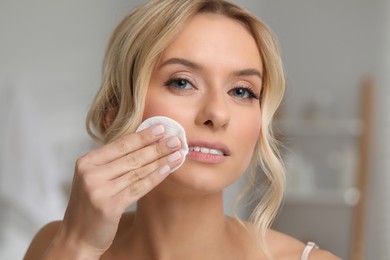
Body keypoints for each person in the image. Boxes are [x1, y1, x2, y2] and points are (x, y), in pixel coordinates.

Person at [24, 0, 339, 259]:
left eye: (242, 91)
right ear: (114, 111)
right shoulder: (53, 245)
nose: (217, 113)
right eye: (182, 82)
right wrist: (80, 246)